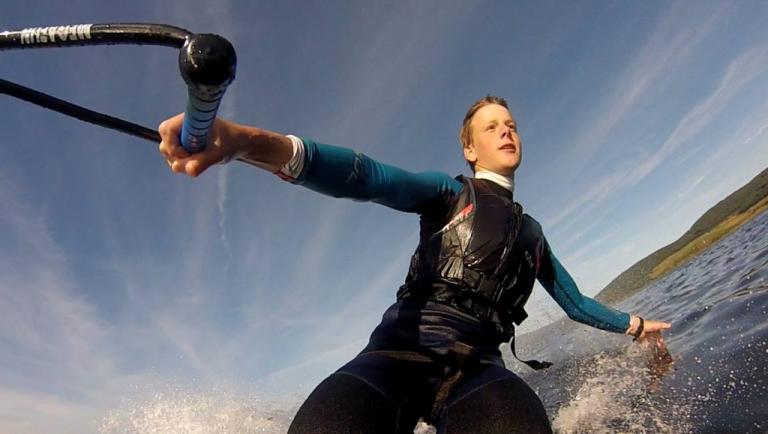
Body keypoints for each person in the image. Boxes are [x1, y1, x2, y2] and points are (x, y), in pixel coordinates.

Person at [158, 95, 672, 433]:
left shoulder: (533, 237)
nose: (506, 132)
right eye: (491, 127)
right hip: (393, 357)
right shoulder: (449, 193)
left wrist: (636, 325)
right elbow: (369, 177)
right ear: (470, 148)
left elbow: (576, 303)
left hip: (478, 370)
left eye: (511, 125)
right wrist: (248, 143)